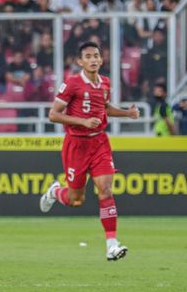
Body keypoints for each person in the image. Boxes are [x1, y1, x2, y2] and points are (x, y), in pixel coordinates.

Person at [40, 42, 139, 261]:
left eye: (96, 55)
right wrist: (82, 122)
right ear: (80, 62)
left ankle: (111, 245)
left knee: (105, 190)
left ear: (101, 60)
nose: (93, 59)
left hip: (100, 143)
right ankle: (56, 191)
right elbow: (54, 115)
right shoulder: (72, 83)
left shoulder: (105, 82)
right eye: (88, 56)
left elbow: (105, 108)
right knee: (76, 199)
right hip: (76, 145)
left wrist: (127, 113)